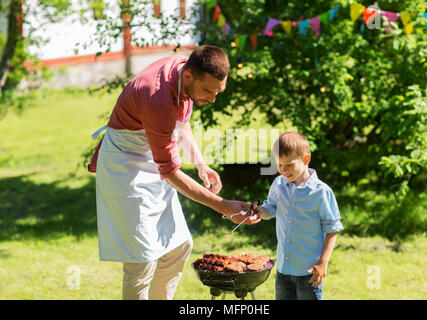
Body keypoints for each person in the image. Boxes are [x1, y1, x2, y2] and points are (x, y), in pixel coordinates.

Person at [87, 45, 259, 300]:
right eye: (208, 91)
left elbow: (181, 123)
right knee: (141, 261)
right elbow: (169, 172)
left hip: (152, 156)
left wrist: (201, 164)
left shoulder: (183, 71)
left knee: (179, 246)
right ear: (189, 76)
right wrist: (223, 205)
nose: (213, 98)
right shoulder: (157, 98)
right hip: (126, 169)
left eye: (218, 91)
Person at [257, 131, 343, 300]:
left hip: (309, 272)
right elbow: (269, 210)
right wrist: (258, 211)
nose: (283, 170)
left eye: (289, 164)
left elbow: (333, 229)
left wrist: (323, 263)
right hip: (283, 270)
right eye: (279, 165)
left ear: (306, 160)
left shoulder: (321, 192)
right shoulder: (278, 184)